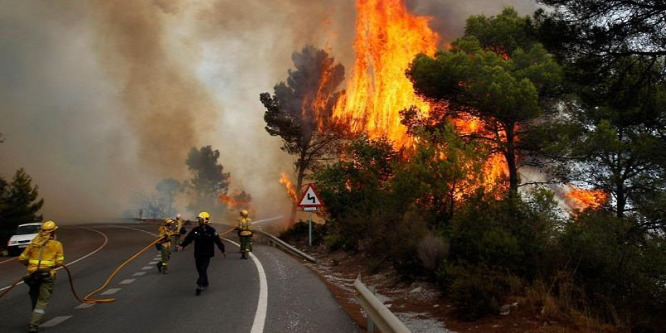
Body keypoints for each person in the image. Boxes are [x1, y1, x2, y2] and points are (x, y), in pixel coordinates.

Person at [18, 220, 64, 333]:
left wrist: (30, 265)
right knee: (43, 300)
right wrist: (50, 264)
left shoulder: (33, 243)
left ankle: (35, 316)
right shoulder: (56, 244)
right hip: (47, 275)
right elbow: (59, 262)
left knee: (34, 296)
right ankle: (34, 324)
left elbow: (22, 258)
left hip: (32, 275)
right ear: (52, 233)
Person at [176, 211, 226, 295]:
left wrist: (222, 250)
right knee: (199, 269)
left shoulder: (211, 231)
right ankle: (205, 283)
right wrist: (182, 245)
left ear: (204, 220)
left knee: (203, 268)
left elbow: (218, 241)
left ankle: (200, 284)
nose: (199, 221)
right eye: (199, 219)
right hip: (198, 253)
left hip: (207, 254)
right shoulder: (196, 230)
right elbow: (189, 238)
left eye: (200, 219)